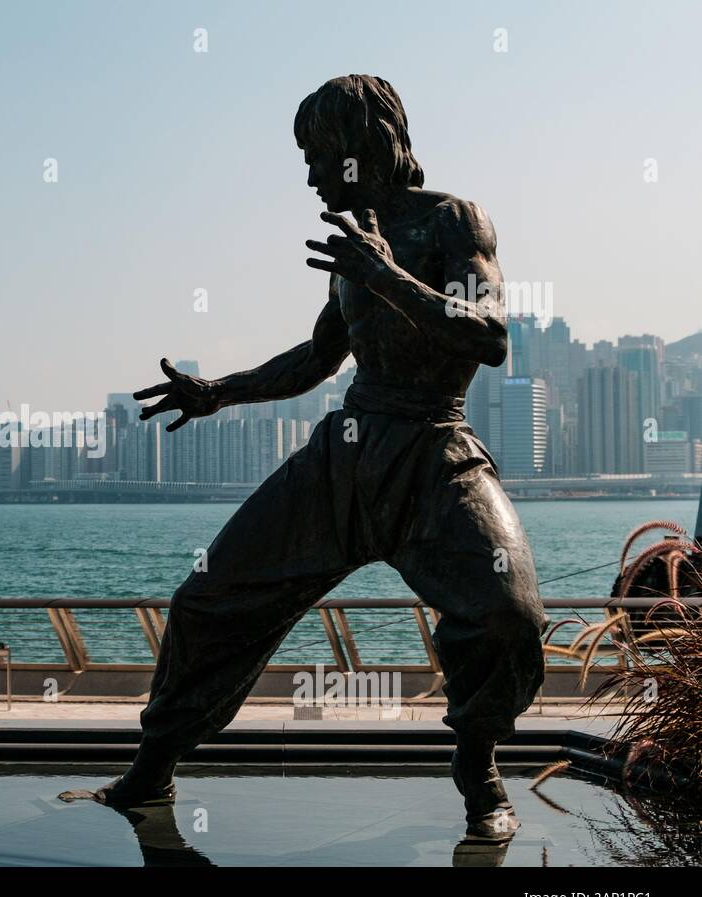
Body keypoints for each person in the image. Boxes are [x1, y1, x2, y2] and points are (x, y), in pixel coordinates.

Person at [90, 75, 546, 841]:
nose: (308, 176)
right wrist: (219, 393)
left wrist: (383, 274)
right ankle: (154, 764)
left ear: (365, 148)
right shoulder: (352, 241)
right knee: (207, 600)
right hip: (348, 454)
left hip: (434, 451)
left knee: (508, 614)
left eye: (319, 156)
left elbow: (490, 335)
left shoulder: (453, 221)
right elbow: (317, 357)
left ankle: (479, 767)